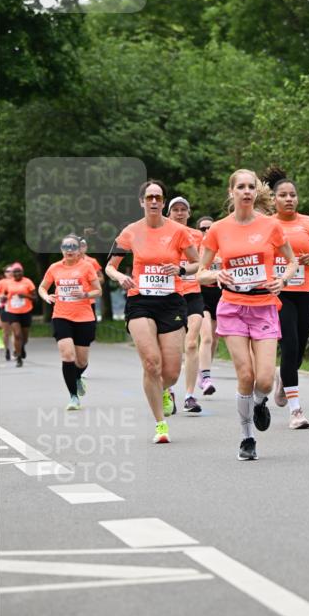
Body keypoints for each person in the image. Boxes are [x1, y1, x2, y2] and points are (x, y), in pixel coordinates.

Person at [198, 169, 297, 460]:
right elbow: (200, 272)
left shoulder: (270, 226)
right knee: (245, 374)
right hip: (232, 308)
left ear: (255, 192)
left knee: (264, 380)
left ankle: (259, 402)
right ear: (231, 192)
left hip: (264, 306)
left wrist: (282, 280)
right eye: (240, 187)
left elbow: (292, 262)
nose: (246, 191)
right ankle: (247, 438)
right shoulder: (218, 229)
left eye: (250, 187)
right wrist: (216, 274)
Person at [105, 179, 200, 443]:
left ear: (163, 201)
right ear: (142, 202)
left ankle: (165, 389)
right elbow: (110, 266)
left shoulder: (179, 231)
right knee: (151, 363)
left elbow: (197, 263)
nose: (154, 201)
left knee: (171, 372)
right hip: (140, 301)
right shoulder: (131, 231)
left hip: (171, 301)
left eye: (158, 197)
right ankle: (160, 425)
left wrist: (180, 269)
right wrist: (119, 277)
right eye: (150, 197)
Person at [264, 168, 309, 429]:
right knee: (290, 345)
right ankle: (296, 411)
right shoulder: (266, 225)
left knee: (298, 350)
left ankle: (284, 379)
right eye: (283, 195)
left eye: (292, 195)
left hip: (305, 291)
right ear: (274, 199)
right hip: (279, 293)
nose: (289, 199)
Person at [38, 236, 102, 409]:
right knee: (67, 356)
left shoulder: (87, 266)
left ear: (79, 250)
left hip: (84, 317)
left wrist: (85, 295)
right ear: (61, 249)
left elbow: (98, 291)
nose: (69, 250)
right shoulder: (54, 267)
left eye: (73, 246)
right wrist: (46, 296)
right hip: (61, 315)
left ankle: (78, 376)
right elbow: (42, 287)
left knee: (81, 362)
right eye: (66, 247)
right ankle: (73, 397)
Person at [167, 196, 205, 414]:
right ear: (169, 214)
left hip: (193, 294)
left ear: (189, 214)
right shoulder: (162, 235)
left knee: (191, 344)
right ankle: (168, 389)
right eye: (175, 210)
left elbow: (204, 261)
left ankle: (190, 396)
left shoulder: (197, 236)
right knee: (172, 348)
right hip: (170, 296)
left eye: (183, 210)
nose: (180, 213)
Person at [196, 215, 220, 396]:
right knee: (206, 337)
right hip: (201, 294)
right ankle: (206, 377)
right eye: (203, 228)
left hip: (220, 294)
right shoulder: (195, 247)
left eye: (209, 228)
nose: (206, 231)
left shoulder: (221, 246)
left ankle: (203, 371)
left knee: (214, 338)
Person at [1, 262, 36, 366]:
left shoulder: (28, 282)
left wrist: (25, 296)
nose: (17, 274)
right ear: (12, 273)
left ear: (22, 272)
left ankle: (22, 347)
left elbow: (35, 298)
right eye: (15, 272)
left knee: (25, 338)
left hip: (26, 311)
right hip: (12, 312)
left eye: (19, 271)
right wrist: (4, 298)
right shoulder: (8, 283)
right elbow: (4, 295)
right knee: (17, 334)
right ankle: (19, 358)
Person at [0, 266, 14, 359]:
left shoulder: (19, 281)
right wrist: (2, 296)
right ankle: (7, 350)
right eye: (7, 271)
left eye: (11, 271)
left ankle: (15, 351)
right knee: (6, 332)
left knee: (16, 332)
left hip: (16, 309)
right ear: (4, 273)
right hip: (4, 308)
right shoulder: (1, 282)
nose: (9, 272)